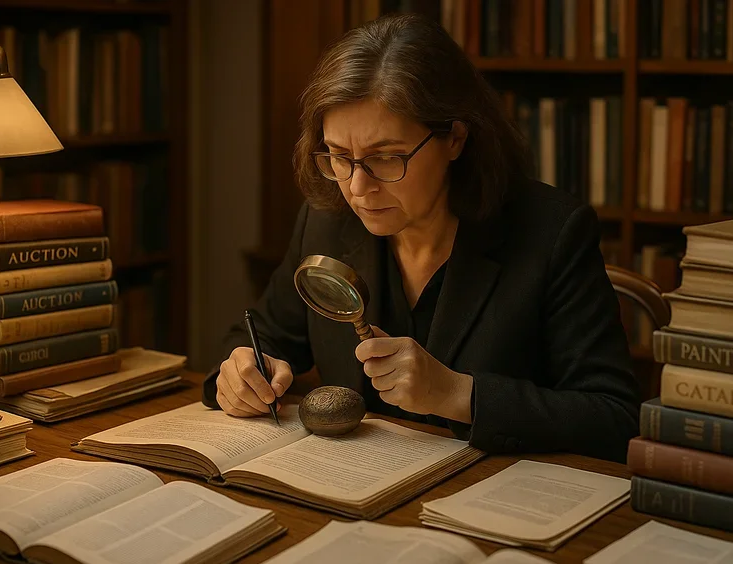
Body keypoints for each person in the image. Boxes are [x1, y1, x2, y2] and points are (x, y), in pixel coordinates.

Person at [202, 13, 641, 463]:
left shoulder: (551, 233)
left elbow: (614, 416)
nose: (357, 187)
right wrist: (242, 373)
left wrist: (457, 394)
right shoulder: (327, 220)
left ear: (454, 138)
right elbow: (261, 336)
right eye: (338, 156)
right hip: (354, 492)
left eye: (387, 157)